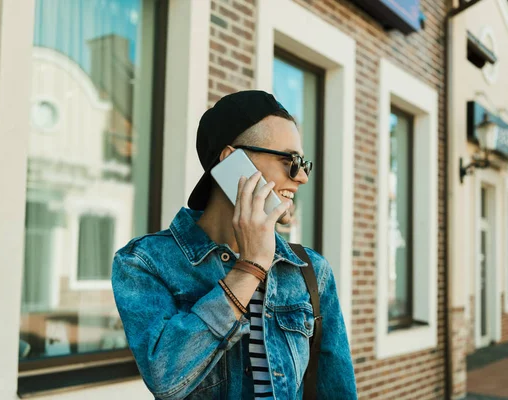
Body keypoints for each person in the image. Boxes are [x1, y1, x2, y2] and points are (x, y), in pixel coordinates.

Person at [112, 90, 357, 399]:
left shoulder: (311, 270)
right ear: (232, 162)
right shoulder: (145, 263)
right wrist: (250, 267)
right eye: (289, 160)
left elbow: (336, 392)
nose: (302, 177)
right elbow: (166, 379)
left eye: (303, 162)